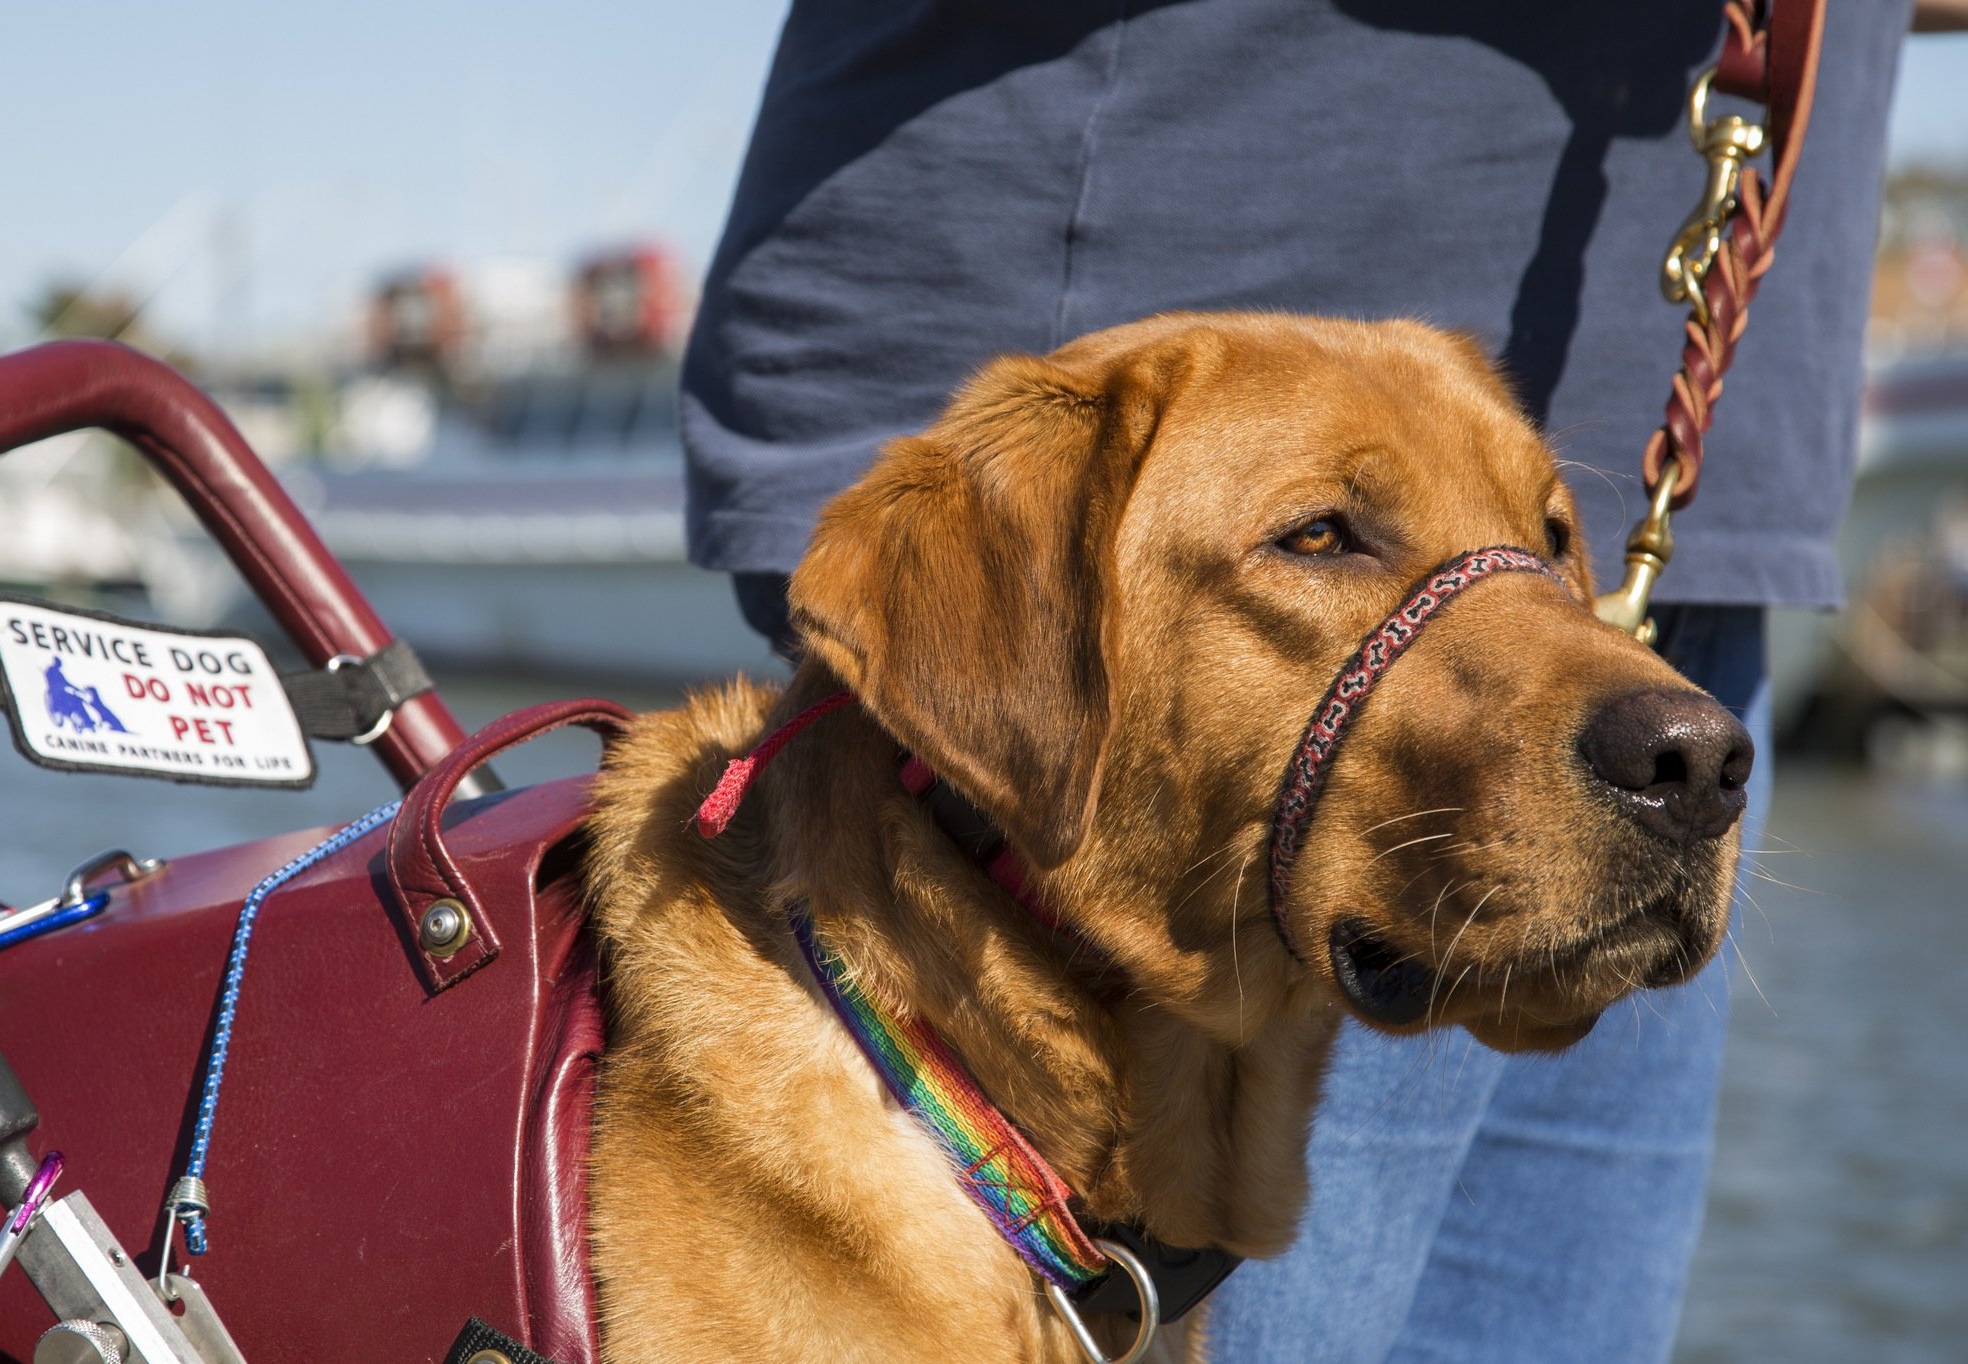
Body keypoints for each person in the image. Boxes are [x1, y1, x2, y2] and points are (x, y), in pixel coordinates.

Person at [679, 3, 1917, 1358]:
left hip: (1695, 473)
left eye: (1540, 537)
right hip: (1158, 229)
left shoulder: (1644, 700)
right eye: (1326, 537)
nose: (1702, 752)